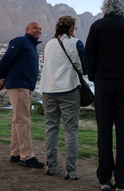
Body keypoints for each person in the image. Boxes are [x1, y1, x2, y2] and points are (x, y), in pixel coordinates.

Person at [84, 0, 124, 191]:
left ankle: (104, 179)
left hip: (103, 84)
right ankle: (123, 182)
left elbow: (89, 54)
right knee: (123, 133)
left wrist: (94, 77)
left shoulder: (97, 26)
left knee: (104, 131)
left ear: (105, 5)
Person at [38, 16, 86, 180]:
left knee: (51, 128)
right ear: (72, 28)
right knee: (70, 130)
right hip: (68, 90)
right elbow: (83, 67)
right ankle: (71, 170)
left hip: (47, 90)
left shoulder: (49, 44)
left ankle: (51, 166)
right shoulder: (76, 43)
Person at [0, 22, 45, 168]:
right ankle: (27, 156)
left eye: (40, 28)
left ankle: (16, 153)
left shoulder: (31, 46)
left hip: (26, 87)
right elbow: (5, 60)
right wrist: (1, 79)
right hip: (19, 86)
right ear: (27, 30)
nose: (38, 30)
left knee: (18, 120)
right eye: (35, 28)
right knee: (23, 120)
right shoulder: (20, 41)